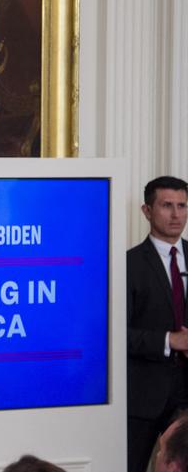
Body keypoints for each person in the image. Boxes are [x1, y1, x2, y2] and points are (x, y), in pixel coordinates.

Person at [128, 176, 188, 472]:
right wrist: (169, 340)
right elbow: (116, 336)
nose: (176, 215)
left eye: (182, 206)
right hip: (143, 397)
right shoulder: (128, 264)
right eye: (167, 206)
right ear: (147, 211)